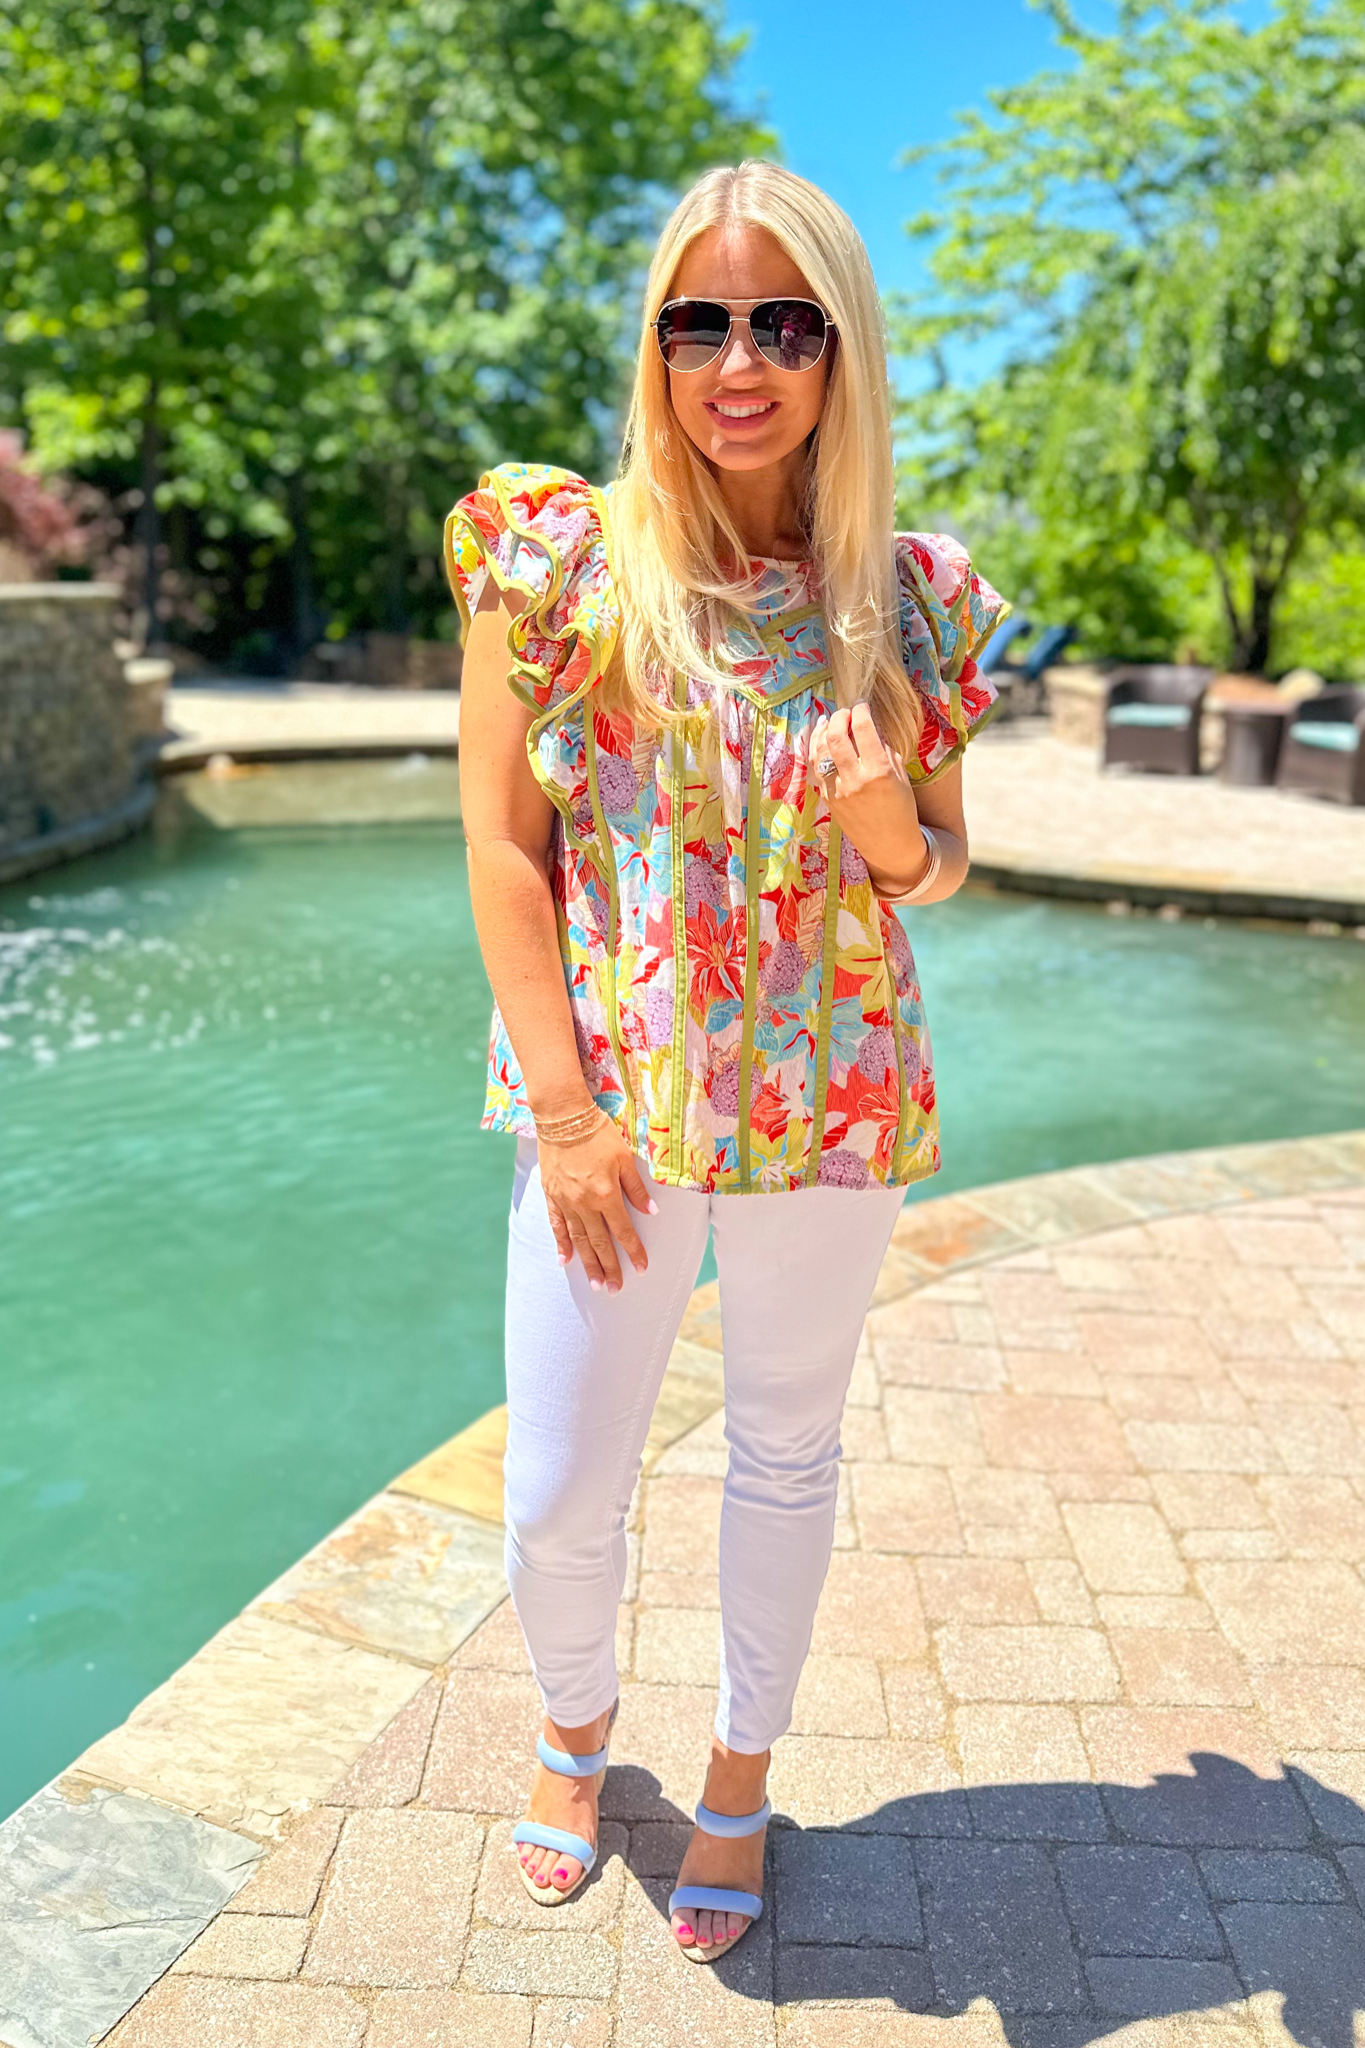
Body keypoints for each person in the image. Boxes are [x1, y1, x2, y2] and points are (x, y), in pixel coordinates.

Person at [445, 159, 1006, 1965]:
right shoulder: (559, 559)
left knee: (783, 1454)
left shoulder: (906, 596)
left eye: (784, 322)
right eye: (700, 321)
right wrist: (563, 1112)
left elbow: (940, 862)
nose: (739, 361)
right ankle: (575, 1731)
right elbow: (502, 850)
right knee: (558, 1490)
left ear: (842, 349)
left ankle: (742, 1778)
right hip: (612, 1106)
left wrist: (887, 829)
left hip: (833, 1092)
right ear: (659, 344)